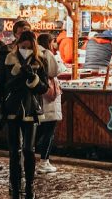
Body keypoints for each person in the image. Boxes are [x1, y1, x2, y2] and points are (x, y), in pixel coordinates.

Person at [0, 30, 53, 199]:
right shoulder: (8, 59)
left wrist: (32, 78)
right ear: (18, 45)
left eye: (28, 46)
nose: (25, 49)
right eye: (22, 45)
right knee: (14, 151)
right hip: (12, 108)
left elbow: (43, 88)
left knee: (28, 149)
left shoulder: (40, 61)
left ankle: (29, 183)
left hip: (31, 109)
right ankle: (14, 182)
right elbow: (0, 85)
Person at [0, 21, 32, 174]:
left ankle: (23, 173)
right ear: (15, 33)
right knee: (10, 139)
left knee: (26, 144)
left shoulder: (35, 52)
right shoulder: (4, 51)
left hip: (26, 103)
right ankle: (15, 177)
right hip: (6, 99)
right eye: (22, 31)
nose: (25, 33)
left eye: (27, 30)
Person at [34, 34, 65, 175]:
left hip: (37, 96)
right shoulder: (47, 53)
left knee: (37, 131)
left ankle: (27, 157)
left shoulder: (34, 52)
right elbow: (55, 70)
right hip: (48, 96)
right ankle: (44, 161)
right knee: (49, 131)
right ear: (49, 42)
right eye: (54, 42)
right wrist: (58, 60)